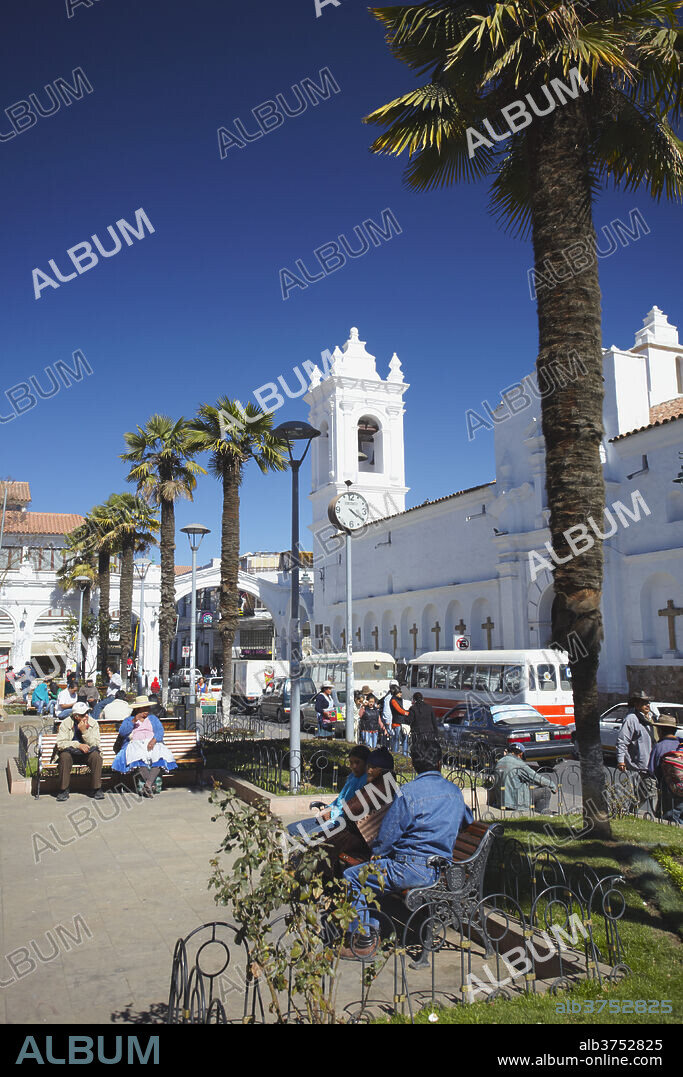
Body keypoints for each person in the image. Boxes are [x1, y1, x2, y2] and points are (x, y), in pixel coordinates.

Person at [342, 739, 473, 959]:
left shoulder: (408, 793)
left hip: (407, 869)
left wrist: (376, 855)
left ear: (413, 764)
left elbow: (387, 835)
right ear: (440, 763)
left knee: (352, 876)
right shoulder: (454, 792)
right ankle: (372, 932)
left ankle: (363, 939)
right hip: (438, 869)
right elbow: (467, 819)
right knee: (370, 879)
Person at [315, 747, 397, 883]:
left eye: (373, 768)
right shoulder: (377, 784)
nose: (369, 770)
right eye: (368, 767)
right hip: (356, 833)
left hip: (366, 841)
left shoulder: (382, 785)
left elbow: (351, 808)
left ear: (383, 771)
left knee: (322, 846)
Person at [287, 744, 370, 838]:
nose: (353, 766)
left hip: (339, 823)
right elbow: (340, 799)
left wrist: (331, 813)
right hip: (331, 817)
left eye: (357, 762)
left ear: (366, 763)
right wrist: (328, 808)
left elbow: (353, 811)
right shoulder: (352, 777)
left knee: (309, 838)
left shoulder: (366, 781)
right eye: (351, 762)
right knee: (291, 829)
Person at [111, 695, 178, 797]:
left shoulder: (153, 719)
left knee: (159, 755)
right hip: (135, 743)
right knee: (138, 756)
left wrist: (154, 740)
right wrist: (133, 721)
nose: (146, 711)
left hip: (152, 743)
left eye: (147, 708)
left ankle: (148, 784)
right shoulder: (129, 719)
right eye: (144, 708)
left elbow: (160, 731)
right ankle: (150, 784)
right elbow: (123, 733)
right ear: (138, 709)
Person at [616, 690, 658, 812]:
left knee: (642, 793)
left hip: (651, 764)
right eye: (644, 702)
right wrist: (621, 761)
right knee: (652, 791)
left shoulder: (651, 718)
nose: (647, 705)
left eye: (648, 702)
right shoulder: (632, 719)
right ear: (636, 704)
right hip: (640, 765)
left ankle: (631, 812)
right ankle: (659, 818)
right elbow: (622, 741)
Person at [55, 701, 104, 802]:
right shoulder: (66, 723)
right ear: (76, 716)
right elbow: (60, 743)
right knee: (64, 756)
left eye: (87, 713)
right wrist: (78, 745)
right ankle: (63, 789)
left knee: (96, 757)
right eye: (83, 714)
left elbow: (95, 743)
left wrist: (84, 732)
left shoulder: (93, 723)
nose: (86, 716)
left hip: (87, 753)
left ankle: (96, 788)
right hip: (71, 753)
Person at [489, 743, 557, 813]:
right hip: (516, 803)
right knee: (546, 791)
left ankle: (535, 810)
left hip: (501, 802)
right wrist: (552, 785)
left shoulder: (500, 762)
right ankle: (541, 813)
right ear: (520, 754)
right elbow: (536, 778)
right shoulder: (519, 764)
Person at [647, 713, 683, 825]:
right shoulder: (680, 744)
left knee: (670, 815)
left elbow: (652, 770)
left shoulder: (659, 746)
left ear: (660, 731)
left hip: (668, 787)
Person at [388, 686, 410, 754]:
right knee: (396, 739)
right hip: (397, 722)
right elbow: (399, 710)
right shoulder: (393, 700)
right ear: (395, 693)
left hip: (402, 722)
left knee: (405, 738)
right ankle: (395, 753)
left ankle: (405, 753)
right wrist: (408, 713)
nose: (401, 693)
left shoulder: (399, 699)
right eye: (399, 692)